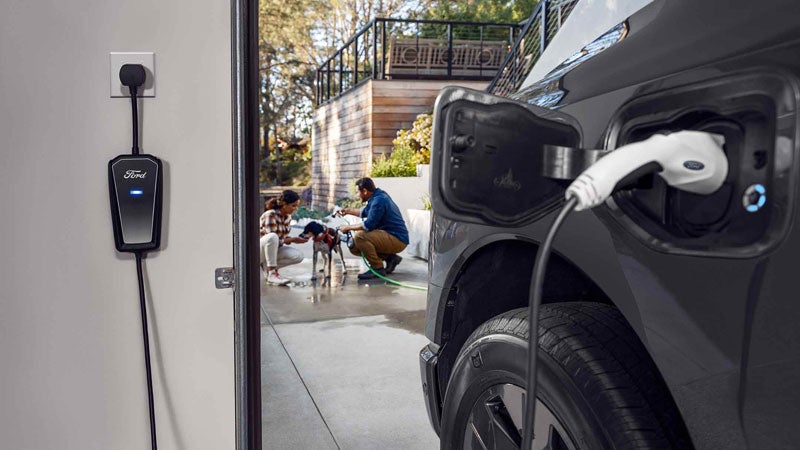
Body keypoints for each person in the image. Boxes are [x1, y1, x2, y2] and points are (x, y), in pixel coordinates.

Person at [339, 177, 409, 280]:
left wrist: (348, 228)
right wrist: (348, 211)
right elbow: (364, 212)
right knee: (354, 247)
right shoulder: (377, 197)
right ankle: (391, 258)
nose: (357, 195)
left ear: (365, 191)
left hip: (397, 239)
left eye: (358, 192)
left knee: (360, 237)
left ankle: (377, 269)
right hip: (390, 237)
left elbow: (368, 225)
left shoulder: (379, 200)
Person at [260, 190, 308, 285]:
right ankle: (272, 273)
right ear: (284, 204)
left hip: (272, 250)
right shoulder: (270, 214)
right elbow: (272, 239)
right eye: (293, 205)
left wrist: (294, 240)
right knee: (272, 237)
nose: (295, 209)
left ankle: (267, 267)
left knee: (298, 256)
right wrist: (292, 240)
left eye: (297, 206)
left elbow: (281, 238)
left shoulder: (287, 217)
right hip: (258, 251)